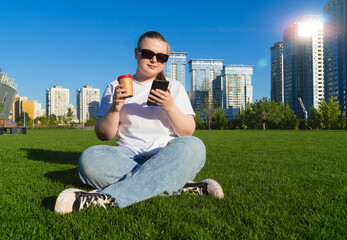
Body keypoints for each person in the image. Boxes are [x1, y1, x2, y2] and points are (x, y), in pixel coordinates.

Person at [54, 31, 224, 214]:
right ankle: (175, 184)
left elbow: (187, 132)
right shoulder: (115, 86)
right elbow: (104, 135)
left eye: (161, 57)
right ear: (136, 53)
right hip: (127, 156)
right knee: (89, 159)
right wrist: (115, 108)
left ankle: (106, 197)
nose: (154, 60)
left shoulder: (174, 87)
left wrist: (169, 106)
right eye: (148, 54)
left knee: (195, 146)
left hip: (166, 154)